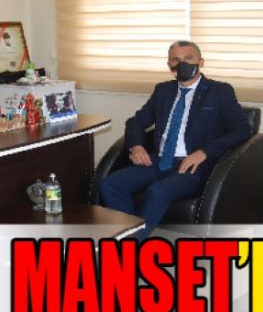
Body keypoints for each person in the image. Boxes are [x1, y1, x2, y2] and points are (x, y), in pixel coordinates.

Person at [99, 41, 251, 235]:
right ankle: (133, 235)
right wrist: (136, 146)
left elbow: (241, 129)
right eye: (176, 60)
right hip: (158, 161)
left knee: (157, 191)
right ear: (169, 65)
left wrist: (204, 152)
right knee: (110, 185)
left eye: (188, 58)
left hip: (193, 166)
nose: (182, 64)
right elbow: (135, 122)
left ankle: (131, 244)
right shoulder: (163, 90)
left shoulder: (219, 91)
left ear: (201, 62)